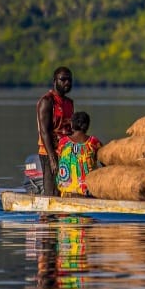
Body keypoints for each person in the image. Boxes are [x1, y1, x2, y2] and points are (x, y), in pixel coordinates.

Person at [37, 66, 74, 196]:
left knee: (66, 190)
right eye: (63, 79)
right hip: (49, 152)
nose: (67, 83)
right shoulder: (47, 101)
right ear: (55, 81)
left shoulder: (69, 102)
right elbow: (44, 131)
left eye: (69, 80)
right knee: (51, 192)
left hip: (66, 152)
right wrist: (52, 158)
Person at [56, 111, 102, 197]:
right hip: (88, 191)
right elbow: (104, 162)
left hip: (66, 190)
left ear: (72, 125)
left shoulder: (63, 142)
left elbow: (59, 161)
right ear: (87, 126)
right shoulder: (94, 142)